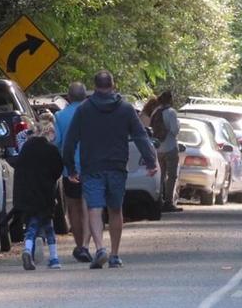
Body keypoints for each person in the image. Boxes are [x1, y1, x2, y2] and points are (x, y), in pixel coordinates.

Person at [63, 70, 158, 269]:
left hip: (92, 167)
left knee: (94, 209)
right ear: (113, 85)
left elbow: (70, 141)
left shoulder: (84, 109)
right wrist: (150, 161)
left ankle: (99, 248)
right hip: (116, 166)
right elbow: (140, 136)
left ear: (94, 86)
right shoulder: (125, 109)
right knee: (115, 209)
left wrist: (70, 168)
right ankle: (114, 254)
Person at [13, 117, 64, 270]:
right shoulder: (51, 150)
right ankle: (53, 257)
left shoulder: (27, 148)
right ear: (48, 132)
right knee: (47, 226)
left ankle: (28, 249)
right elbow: (58, 170)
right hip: (45, 194)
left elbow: (19, 168)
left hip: (27, 194)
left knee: (32, 223)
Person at [55, 82, 92, 263]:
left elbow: (57, 142)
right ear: (85, 96)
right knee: (89, 207)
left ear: (68, 97)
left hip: (70, 169)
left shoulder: (60, 116)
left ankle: (79, 245)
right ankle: (86, 245)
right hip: (91, 167)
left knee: (74, 208)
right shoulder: (92, 113)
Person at [151, 91, 182, 212]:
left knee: (161, 175)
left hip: (158, 148)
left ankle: (159, 199)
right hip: (170, 147)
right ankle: (168, 202)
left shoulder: (155, 112)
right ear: (170, 100)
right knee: (172, 176)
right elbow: (174, 130)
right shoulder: (171, 112)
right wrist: (178, 124)